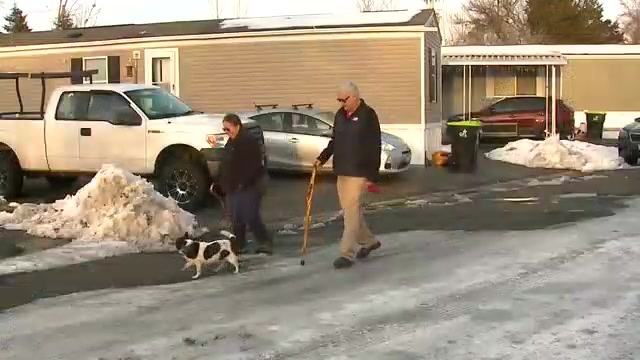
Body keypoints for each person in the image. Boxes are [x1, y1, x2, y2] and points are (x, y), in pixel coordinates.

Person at [315, 82, 382, 269]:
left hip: (359, 172)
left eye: (345, 99)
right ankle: (369, 241)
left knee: (350, 214)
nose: (342, 103)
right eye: (339, 100)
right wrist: (321, 158)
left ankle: (346, 253)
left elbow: (374, 146)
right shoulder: (340, 115)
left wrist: (371, 176)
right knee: (351, 211)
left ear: (355, 96)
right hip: (342, 170)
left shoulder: (368, 115)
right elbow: (335, 141)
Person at [219, 113, 273, 255]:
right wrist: (220, 182)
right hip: (234, 186)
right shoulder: (231, 142)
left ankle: (265, 241)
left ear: (237, 126)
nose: (226, 132)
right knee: (236, 216)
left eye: (228, 129)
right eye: (224, 129)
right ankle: (239, 244)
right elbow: (226, 164)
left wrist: (243, 182)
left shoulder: (248, 142)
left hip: (250, 185)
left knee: (250, 215)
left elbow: (253, 166)